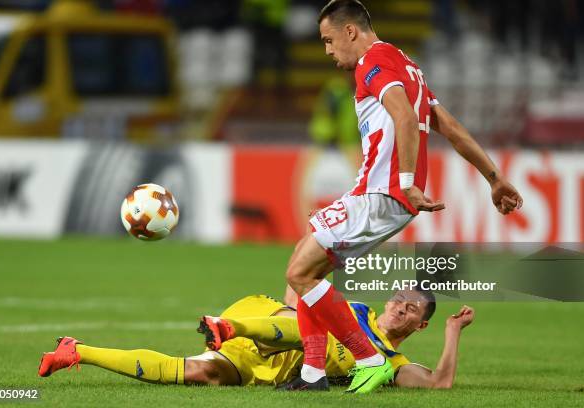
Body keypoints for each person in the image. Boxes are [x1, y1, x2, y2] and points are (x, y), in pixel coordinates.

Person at [282, 0, 523, 393]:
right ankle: (312, 374)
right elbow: (451, 127)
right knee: (309, 267)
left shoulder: (373, 64)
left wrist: (408, 180)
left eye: (328, 40)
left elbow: (405, 118)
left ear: (350, 32)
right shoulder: (407, 65)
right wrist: (494, 178)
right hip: (387, 195)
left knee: (297, 274)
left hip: (381, 191)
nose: (327, 51)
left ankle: (368, 357)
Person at [37, 290, 475, 390]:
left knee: (202, 374)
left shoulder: (391, 360)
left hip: (267, 365)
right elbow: (297, 292)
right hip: (263, 319)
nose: (400, 307)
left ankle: (75, 351)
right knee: (320, 327)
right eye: (399, 299)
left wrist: (453, 332)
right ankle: (230, 328)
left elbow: (439, 384)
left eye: (411, 309)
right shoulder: (353, 309)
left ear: (420, 326)